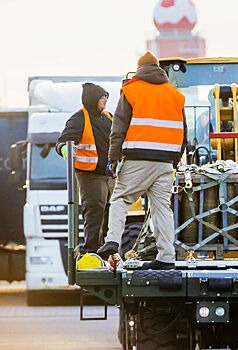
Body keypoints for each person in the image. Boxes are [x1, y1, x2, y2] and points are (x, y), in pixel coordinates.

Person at [97, 50, 187, 270]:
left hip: (138, 158)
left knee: (120, 199)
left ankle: (112, 242)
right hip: (165, 161)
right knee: (162, 209)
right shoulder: (175, 95)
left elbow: (118, 129)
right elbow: (184, 132)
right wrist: (174, 161)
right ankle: (166, 257)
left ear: (139, 70)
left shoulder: (131, 90)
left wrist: (113, 159)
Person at [55, 83, 115, 254]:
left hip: (109, 175)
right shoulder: (78, 119)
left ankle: (105, 249)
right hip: (90, 175)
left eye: (105, 96)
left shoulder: (108, 117)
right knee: (95, 211)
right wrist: (64, 148)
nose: (104, 100)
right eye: (102, 97)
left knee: (110, 213)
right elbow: (61, 141)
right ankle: (92, 250)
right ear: (92, 99)